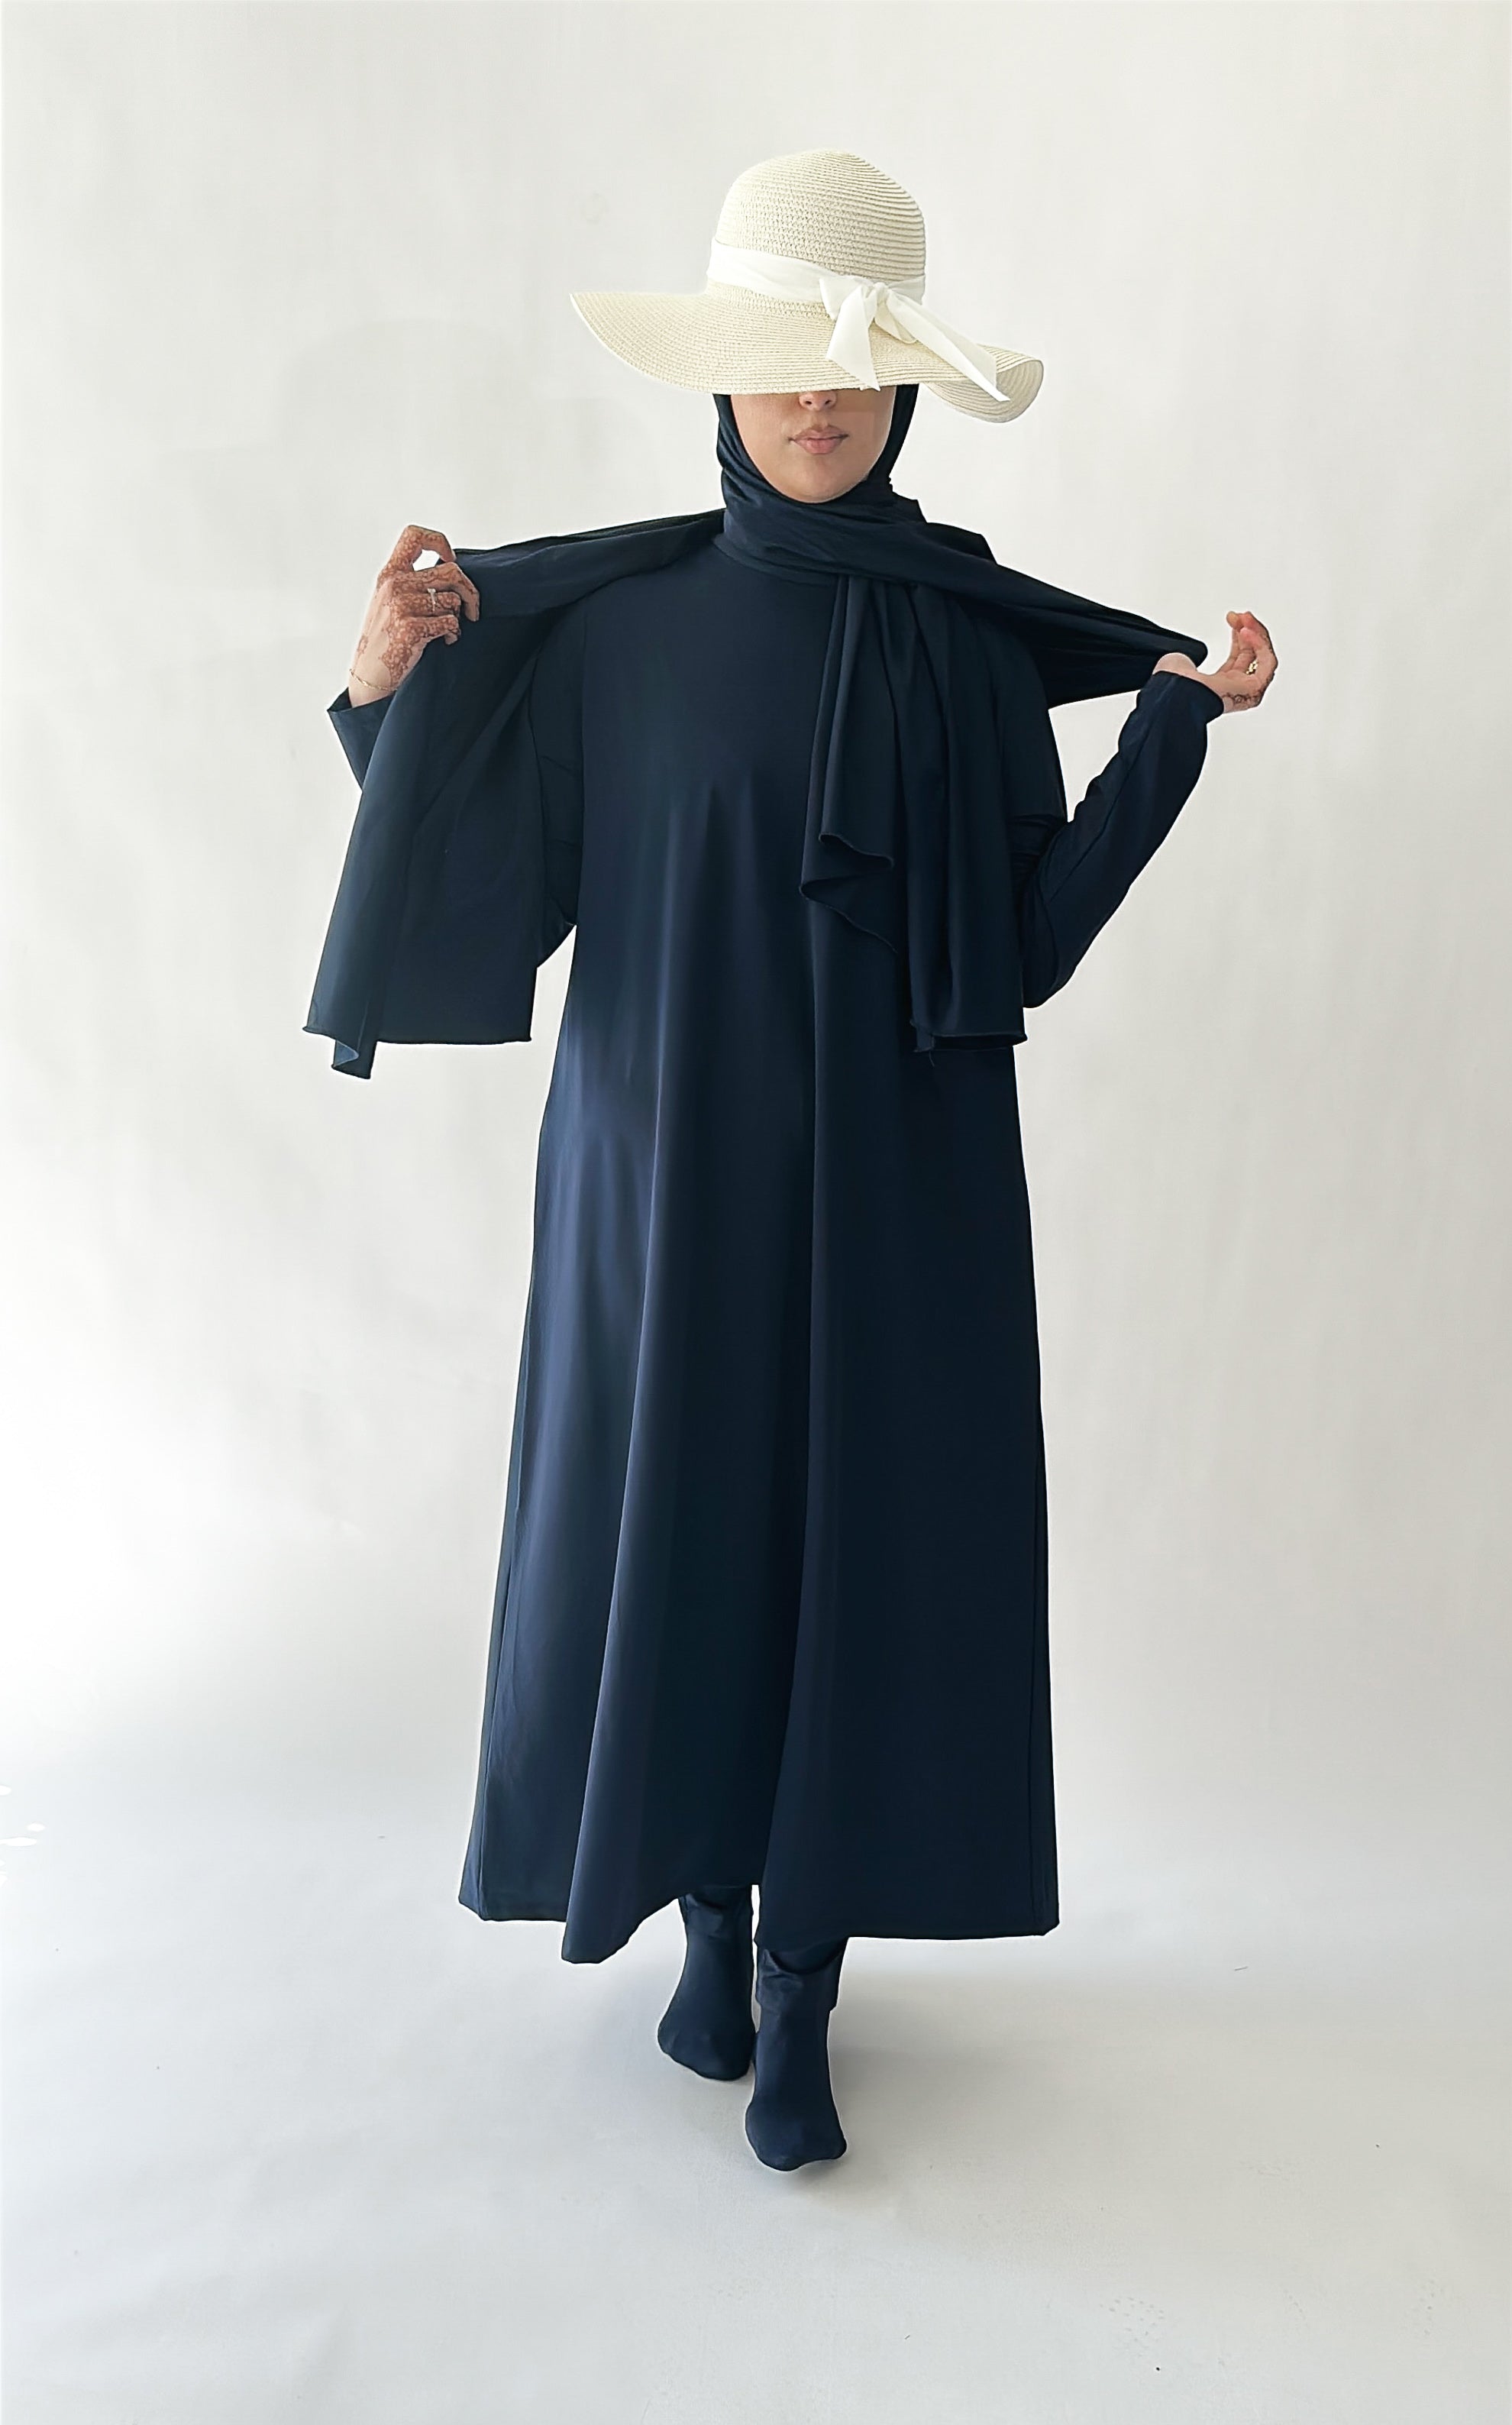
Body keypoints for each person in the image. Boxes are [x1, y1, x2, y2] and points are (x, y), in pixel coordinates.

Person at [306, 149, 1277, 2173]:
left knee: (865, 1548)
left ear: (902, 390)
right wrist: (383, 693)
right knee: (686, 1530)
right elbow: (489, 883)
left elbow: (1021, 941)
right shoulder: (612, 632)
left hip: (897, 1181)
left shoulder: (963, 643)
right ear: (719, 379)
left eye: (853, 364)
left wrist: (1166, 742)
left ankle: (809, 1980)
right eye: (778, 357)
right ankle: (710, 1929)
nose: (816, 398)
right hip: (656, 1174)